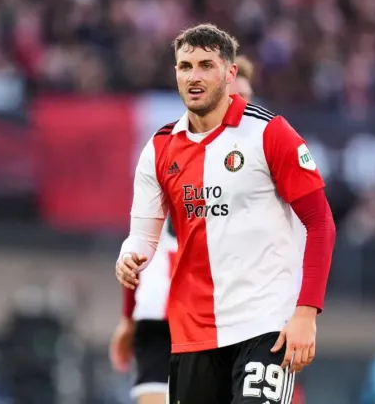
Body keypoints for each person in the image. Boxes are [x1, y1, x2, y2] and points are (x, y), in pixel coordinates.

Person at [114, 24, 336, 404]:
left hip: (266, 325)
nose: (194, 76)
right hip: (193, 331)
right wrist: (129, 256)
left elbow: (321, 223)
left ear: (230, 74)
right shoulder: (159, 149)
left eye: (206, 65)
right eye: (186, 66)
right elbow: (143, 237)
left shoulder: (270, 134)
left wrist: (306, 313)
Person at [109, 55, 261, 404]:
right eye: (234, 95)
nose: (239, 104)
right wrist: (128, 318)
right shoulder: (177, 150)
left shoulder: (260, 156)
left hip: (224, 316)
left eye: (246, 96)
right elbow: (143, 241)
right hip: (166, 311)